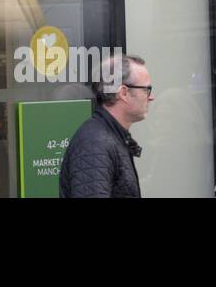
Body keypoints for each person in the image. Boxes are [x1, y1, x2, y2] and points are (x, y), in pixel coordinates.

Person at [58, 54, 153, 198]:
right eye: (146, 90)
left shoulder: (110, 136)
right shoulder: (95, 143)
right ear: (124, 93)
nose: (151, 97)